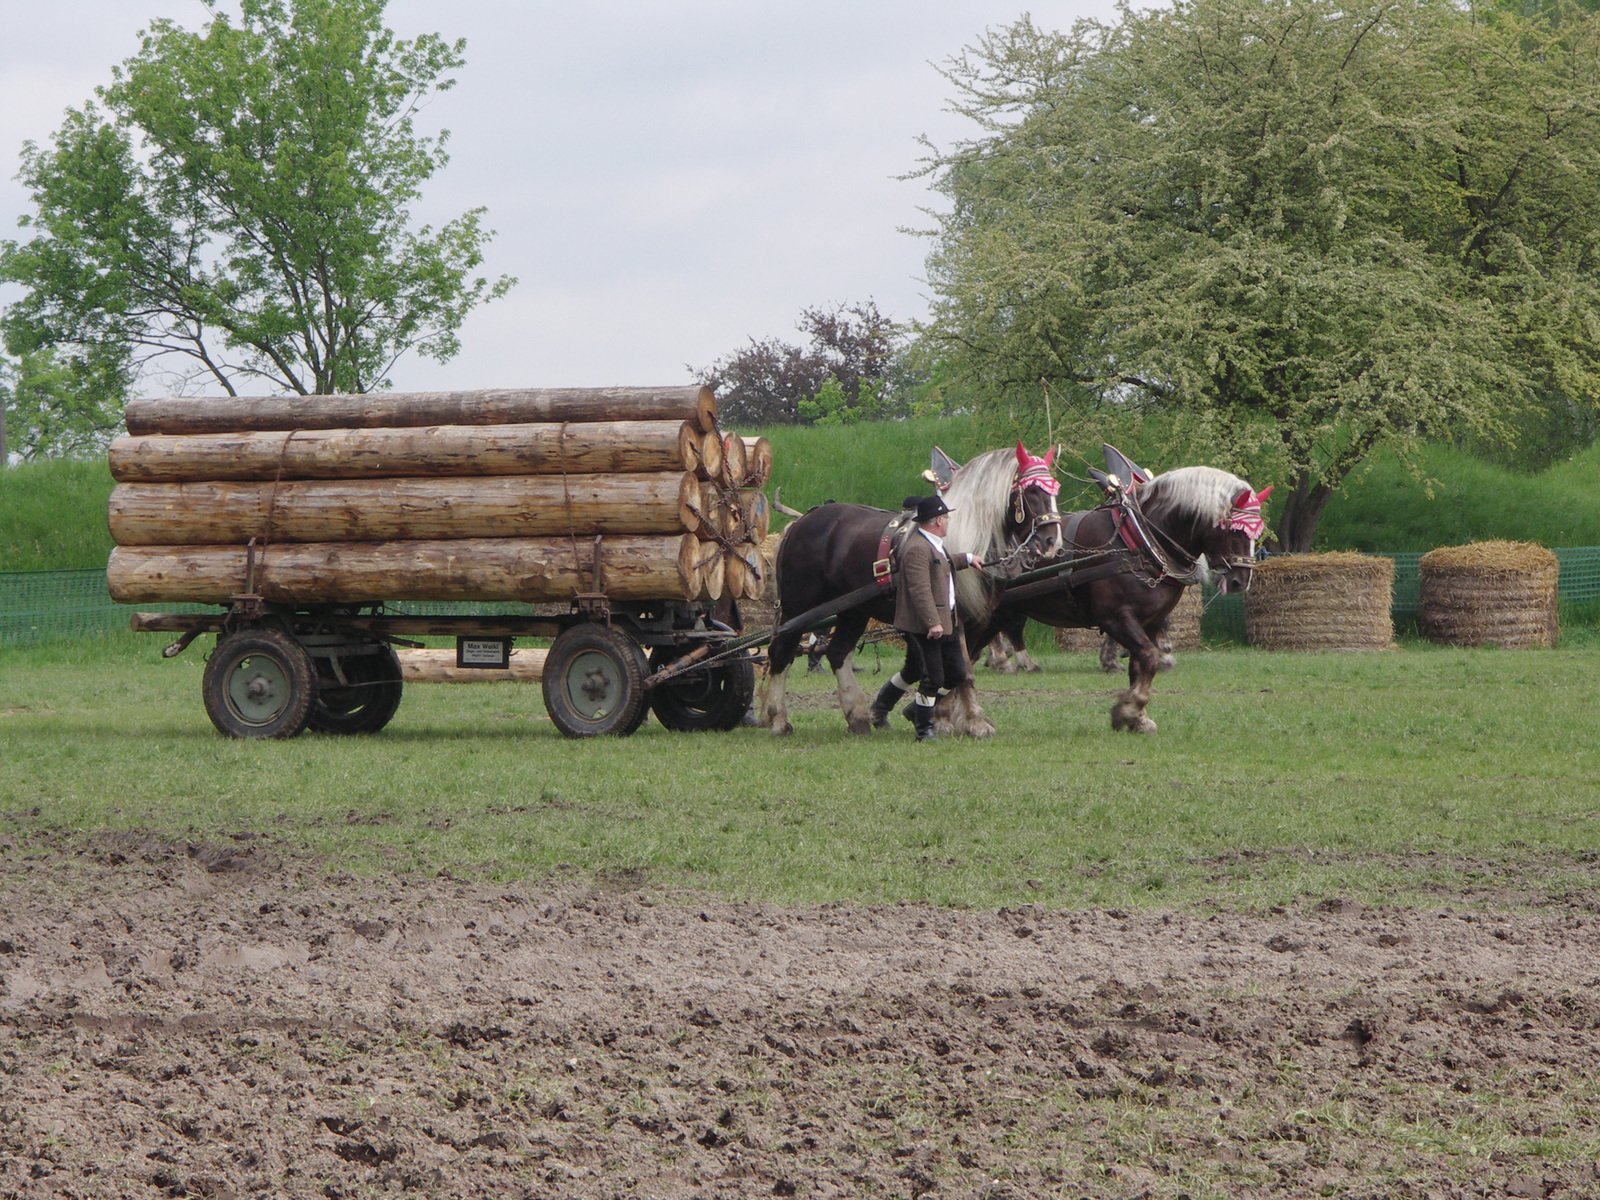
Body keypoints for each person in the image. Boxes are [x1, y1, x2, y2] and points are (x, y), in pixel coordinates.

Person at [868, 494, 982, 742]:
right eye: (946, 518)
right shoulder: (917, 549)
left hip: (946, 619)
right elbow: (920, 590)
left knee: (956, 674)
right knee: (933, 678)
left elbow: (943, 562)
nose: (948, 522)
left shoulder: (933, 543)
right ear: (938, 520)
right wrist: (933, 622)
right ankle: (924, 731)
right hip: (925, 626)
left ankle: (917, 709)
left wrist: (969, 559)